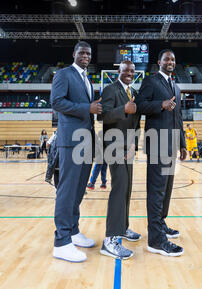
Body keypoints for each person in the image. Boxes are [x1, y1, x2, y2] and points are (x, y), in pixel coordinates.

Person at [50, 41, 102, 263]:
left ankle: (72, 230)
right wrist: (86, 108)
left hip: (86, 141)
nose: (85, 56)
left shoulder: (87, 78)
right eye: (81, 52)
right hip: (70, 141)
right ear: (74, 54)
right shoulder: (64, 74)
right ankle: (61, 242)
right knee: (67, 190)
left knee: (79, 190)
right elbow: (57, 102)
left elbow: (87, 109)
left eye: (88, 53)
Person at [136, 49, 187, 257]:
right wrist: (161, 105)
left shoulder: (175, 85)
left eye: (173, 59)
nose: (170, 61)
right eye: (167, 58)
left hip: (171, 145)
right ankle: (156, 240)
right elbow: (138, 105)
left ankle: (161, 223)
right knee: (156, 191)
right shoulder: (151, 81)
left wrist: (183, 143)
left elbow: (179, 116)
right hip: (157, 143)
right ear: (159, 62)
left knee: (166, 190)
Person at [99, 60, 141, 260]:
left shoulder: (134, 92)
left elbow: (136, 123)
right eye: (126, 70)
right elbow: (103, 116)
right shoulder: (110, 90)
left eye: (132, 71)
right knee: (118, 189)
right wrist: (123, 109)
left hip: (128, 149)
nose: (129, 73)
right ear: (119, 71)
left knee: (127, 188)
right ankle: (109, 240)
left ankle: (123, 227)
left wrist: (134, 145)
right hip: (114, 147)